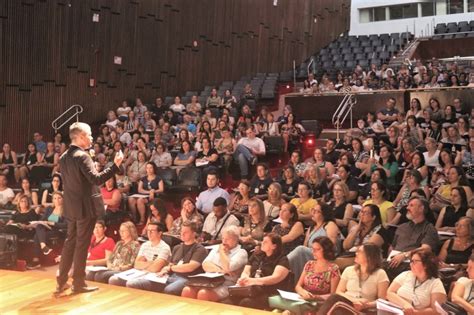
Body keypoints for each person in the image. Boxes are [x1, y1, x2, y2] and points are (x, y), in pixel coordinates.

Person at [55, 122, 123, 295]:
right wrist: (115, 165)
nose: (92, 137)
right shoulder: (82, 156)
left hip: (72, 207)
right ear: (81, 136)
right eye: (90, 134)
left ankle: (61, 282)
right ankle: (78, 283)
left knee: (70, 243)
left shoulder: (63, 157)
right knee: (81, 245)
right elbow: (96, 180)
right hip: (85, 208)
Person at [128, 222, 207, 296]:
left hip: (187, 278)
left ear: (194, 234)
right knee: (136, 283)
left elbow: (190, 267)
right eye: (181, 231)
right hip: (169, 276)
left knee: (169, 290)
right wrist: (165, 270)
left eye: (185, 232)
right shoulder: (177, 247)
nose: (182, 234)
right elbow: (170, 264)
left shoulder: (199, 249)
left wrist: (171, 267)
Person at [271, 237, 340, 315]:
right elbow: (298, 286)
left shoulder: (333, 269)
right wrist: (302, 292)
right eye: (312, 249)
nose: (313, 252)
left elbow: (333, 295)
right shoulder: (309, 264)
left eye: (317, 249)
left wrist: (314, 297)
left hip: (320, 304)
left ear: (326, 250)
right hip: (303, 300)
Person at [181, 225, 248, 302]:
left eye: (227, 239)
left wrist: (222, 252)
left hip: (226, 284)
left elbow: (228, 268)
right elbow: (205, 264)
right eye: (223, 238)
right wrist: (221, 270)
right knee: (187, 290)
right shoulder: (217, 248)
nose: (224, 242)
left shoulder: (241, 253)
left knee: (203, 294)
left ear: (236, 239)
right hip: (209, 281)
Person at [230, 233, 290, 310]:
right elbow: (246, 271)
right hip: (251, 288)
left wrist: (253, 281)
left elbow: (276, 278)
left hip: (269, 291)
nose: (262, 243)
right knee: (230, 299)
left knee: (246, 302)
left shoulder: (282, 259)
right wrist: (244, 279)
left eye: (265, 242)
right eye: (262, 241)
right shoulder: (256, 255)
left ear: (274, 246)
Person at [384, 197, 439, 280]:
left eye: (411, 205)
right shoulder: (402, 227)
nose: (407, 208)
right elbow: (392, 247)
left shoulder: (429, 228)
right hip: (393, 261)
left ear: (421, 208)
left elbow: (426, 249)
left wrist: (405, 255)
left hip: (412, 264)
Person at [109, 222, 171, 287]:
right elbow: (136, 264)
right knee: (113, 279)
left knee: (132, 283)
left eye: (152, 231)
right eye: (148, 230)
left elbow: (155, 269)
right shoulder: (145, 245)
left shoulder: (165, 247)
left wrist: (145, 263)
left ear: (159, 233)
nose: (149, 233)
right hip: (139, 273)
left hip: (155, 276)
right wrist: (152, 263)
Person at [27, 192, 68, 269]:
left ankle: (36, 260)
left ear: (63, 199)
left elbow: (66, 225)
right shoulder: (49, 208)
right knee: (39, 225)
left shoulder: (66, 210)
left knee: (37, 236)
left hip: (57, 231)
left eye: (59, 198)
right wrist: (42, 222)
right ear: (53, 200)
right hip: (46, 229)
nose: (57, 200)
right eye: (55, 198)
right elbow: (42, 220)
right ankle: (43, 246)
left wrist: (52, 223)